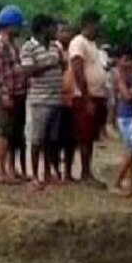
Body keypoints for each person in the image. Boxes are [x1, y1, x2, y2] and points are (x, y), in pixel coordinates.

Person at [19, 14, 65, 185]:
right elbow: (28, 71)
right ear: (44, 29)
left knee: (51, 139)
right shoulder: (29, 47)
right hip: (39, 99)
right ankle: (35, 175)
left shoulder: (55, 46)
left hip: (55, 98)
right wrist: (50, 65)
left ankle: (47, 173)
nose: (56, 31)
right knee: (37, 139)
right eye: (53, 27)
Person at [0, 5, 30, 184]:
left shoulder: (13, 45)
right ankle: (2, 171)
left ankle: (13, 170)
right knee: (4, 133)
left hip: (18, 93)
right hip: (7, 94)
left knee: (15, 134)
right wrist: (5, 93)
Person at [69, 10, 109, 185]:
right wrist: (86, 98)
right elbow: (78, 70)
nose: (99, 28)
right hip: (85, 96)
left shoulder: (93, 45)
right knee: (85, 135)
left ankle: (88, 171)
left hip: (97, 95)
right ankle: (85, 173)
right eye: (97, 24)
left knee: (91, 135)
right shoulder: (78, 42)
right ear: (88, 24)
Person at [112, 45, 132, 197]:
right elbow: (127, 96)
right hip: (126, 115)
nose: (129, 63)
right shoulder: (119, 75)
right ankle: (117, 181)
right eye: (126, 60)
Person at [56, 21, 76, 182]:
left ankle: (68, 172)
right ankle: (55, 171)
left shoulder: (73, 50)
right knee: (54, 138)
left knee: (70, 138)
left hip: (72, 99)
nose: (65, 34)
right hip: (56, 99)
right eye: (62, 30)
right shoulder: (53, 50)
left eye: (68, 30)